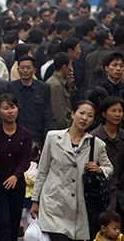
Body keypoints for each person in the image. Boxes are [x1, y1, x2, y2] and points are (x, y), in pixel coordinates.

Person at [31, 100, 114, 241]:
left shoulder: (96, 144)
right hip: (53, 202)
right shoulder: (53, 138)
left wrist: (99, 169)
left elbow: (109, 167)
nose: (84, 118)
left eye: (89, 116)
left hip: (79, 207)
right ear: (73, 114)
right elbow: (43, 170)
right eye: (81, 113)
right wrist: (35, 200)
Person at [0, 93, 33, 241]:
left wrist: (16, 175)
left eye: (12, 107)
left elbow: (26, 159)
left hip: (17, 186)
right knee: (2, 221)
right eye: (5, 108)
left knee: (14, 223)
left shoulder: (24, 134)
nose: (10, 111)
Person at [90, 97, 124, 215]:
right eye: (113, 111)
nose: (117, 114)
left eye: (120, 111)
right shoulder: (93, 138)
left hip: (121, 194)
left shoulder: (122, 137)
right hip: (101, 195)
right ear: (104, 113)